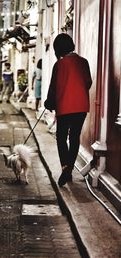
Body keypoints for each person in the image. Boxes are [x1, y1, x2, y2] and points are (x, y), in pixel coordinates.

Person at [44, 33, 92, 187]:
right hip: (81, 106)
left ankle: (65, 167)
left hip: (64, 107)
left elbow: (53, 88)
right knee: (74, 137)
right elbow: (88, 82)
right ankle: (70, 167)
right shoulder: (83, 62)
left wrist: (49, 103)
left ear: (58, 48)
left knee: (61, 137)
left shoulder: (59, 64)